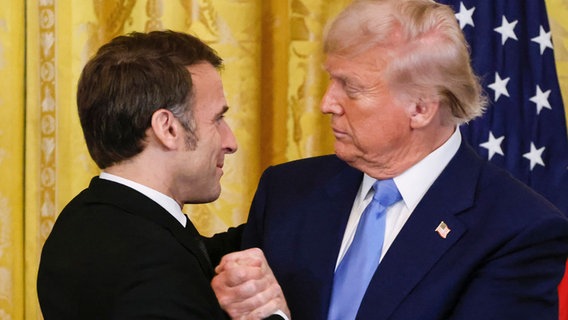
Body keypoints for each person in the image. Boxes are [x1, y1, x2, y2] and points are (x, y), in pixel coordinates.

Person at [232, 0, 568, 319]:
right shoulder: (287, 191)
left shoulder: (518, 231)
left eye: (350, 88)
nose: (327, 103)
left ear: (420, 109)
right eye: (331, 79)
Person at [37, 30, 288, 320]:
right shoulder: (151, 263)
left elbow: (197, 253)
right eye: (217, 119)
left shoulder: (85, 219)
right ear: (167, 129)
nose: (230, 142)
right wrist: (274, 313)